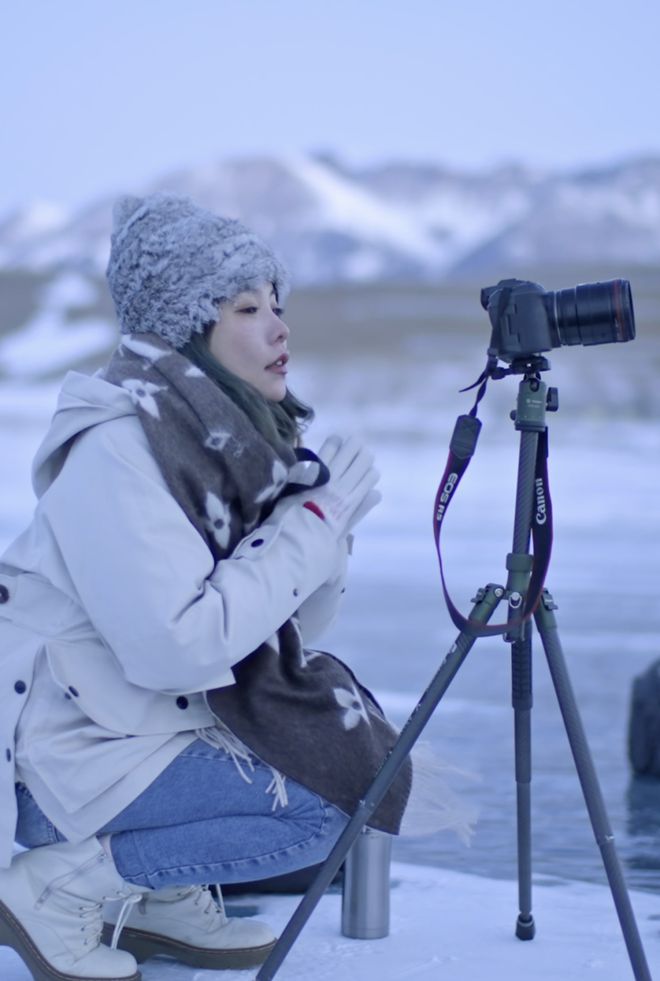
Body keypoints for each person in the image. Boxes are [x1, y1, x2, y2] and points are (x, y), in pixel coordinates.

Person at [0, 193, 413, 981]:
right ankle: (58, 886)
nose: (280, 326)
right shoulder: (118, 450)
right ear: (188, 325)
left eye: (278, 304)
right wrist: (309, 529)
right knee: (341, 795)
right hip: (64, 765)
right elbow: (181, 650)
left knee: (360, 753)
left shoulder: (232, 449)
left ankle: (156, 890)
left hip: (133, 735)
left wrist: (321, 530)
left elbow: (294, 628)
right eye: (248, 306)